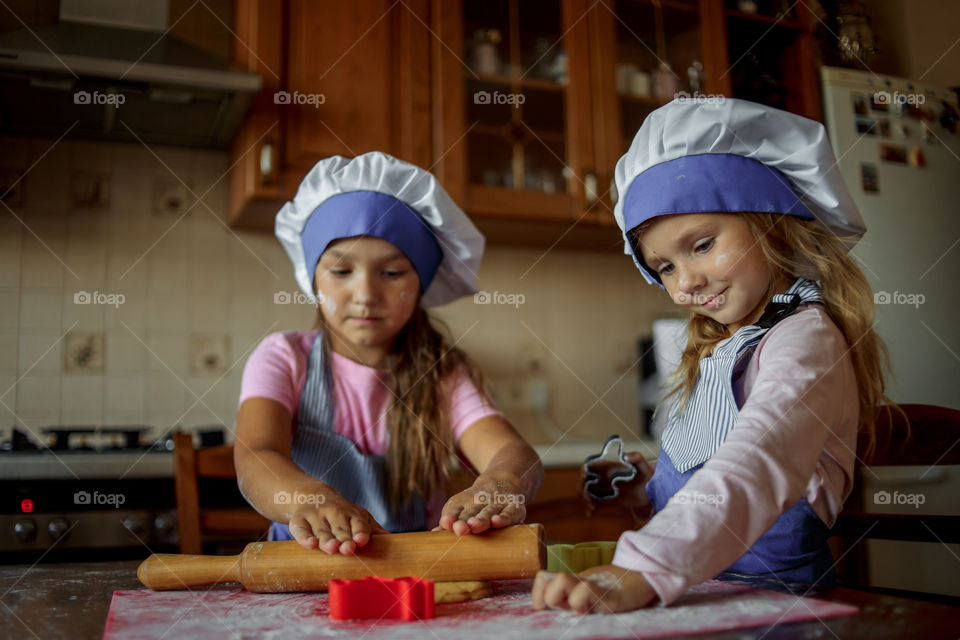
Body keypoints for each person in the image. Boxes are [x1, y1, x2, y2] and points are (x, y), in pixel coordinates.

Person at [534, 98, 898, 613]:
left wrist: (645, 566)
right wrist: (644, 487)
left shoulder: (804, 340)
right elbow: (711, 467)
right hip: (701, 591)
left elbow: (759, 458)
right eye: (663, 267)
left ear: (771, 223)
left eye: (702, 245)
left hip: (776, 603)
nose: (686, 282)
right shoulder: (723, 347)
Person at [235, 151, 543, 555]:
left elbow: (514, 452)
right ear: (313, 279)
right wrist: (309, 498)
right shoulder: (283, 357)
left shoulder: (444, 372)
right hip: (304, 570)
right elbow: (256, 454)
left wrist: (502, 481)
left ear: (420, 285)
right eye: (341, 271)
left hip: (413, 574)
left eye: (392, 273)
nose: (365, 295)